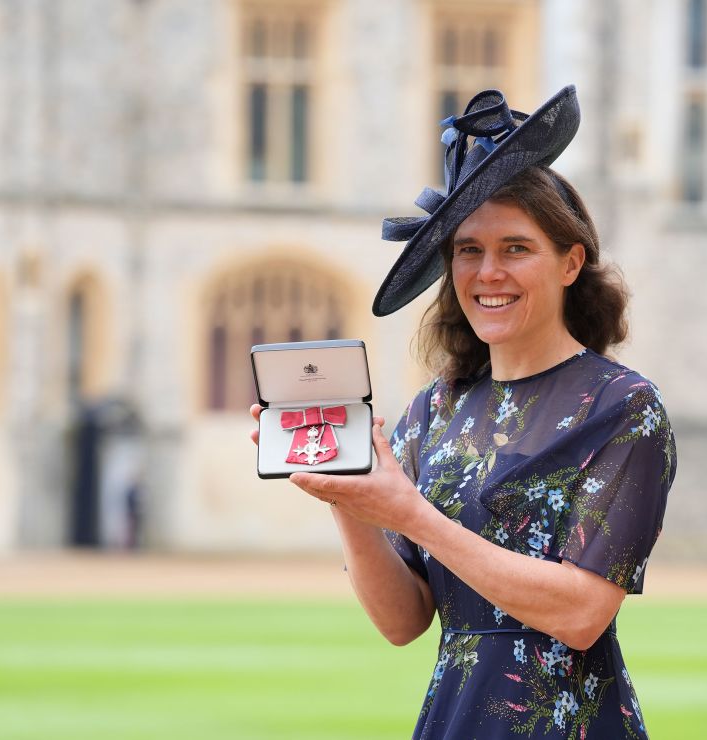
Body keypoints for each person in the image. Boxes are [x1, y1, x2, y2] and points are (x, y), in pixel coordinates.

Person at [250, 86, 676, 739]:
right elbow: (403, 623)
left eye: (515, 248)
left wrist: (410, 514)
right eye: (468, 250)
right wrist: (347, 494)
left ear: (571, 262)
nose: (487, 273)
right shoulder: (435, 410)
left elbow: (582, 612)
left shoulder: (624, 408)